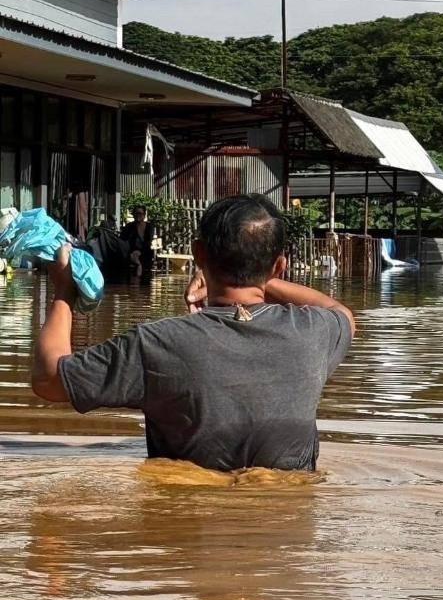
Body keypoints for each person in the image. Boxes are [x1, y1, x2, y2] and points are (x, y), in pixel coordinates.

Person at [31, 194, 355, 472]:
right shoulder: (315, 332)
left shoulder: (157, 343)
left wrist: (63, 293)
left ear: (198, 255)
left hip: (190, 523)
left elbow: (49, 379)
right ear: (279, 267)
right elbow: (343, 314)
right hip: (290, 530)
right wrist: (261, 278)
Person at [120, 205, 155, 277]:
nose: (138, 215)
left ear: (144, 215)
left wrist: (140, 252)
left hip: (145, 252)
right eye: (136, 213)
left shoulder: (149, 226)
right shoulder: (129, 226)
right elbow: (122, 240)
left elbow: (149, 241)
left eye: (140, 213)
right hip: (131, 252)